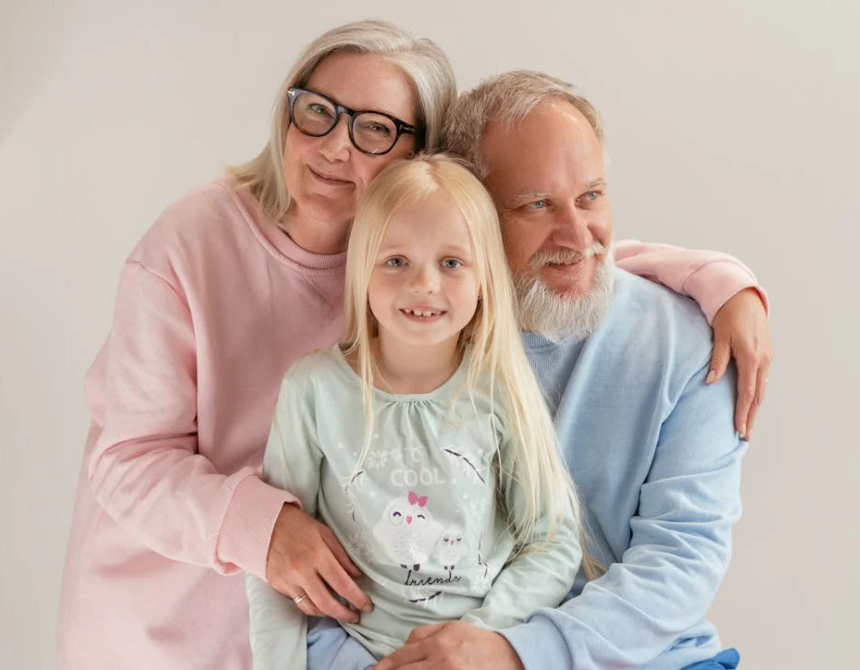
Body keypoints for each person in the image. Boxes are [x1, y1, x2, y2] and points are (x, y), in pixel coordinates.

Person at [56, 21, 769, 670]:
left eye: (375, 128)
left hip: (351, 623)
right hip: (171, 618)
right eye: (317, 111)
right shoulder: (194, 244)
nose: (336, 145)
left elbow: (561, 252)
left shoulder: (424, 278)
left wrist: (720, 280)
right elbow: (126, 459)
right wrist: (263, 530)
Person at [373, 71, 769, 670]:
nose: (579, 235)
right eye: (537, 204)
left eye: (591, 196)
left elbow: (682, 559)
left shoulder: (692, 343)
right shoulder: (408, 343)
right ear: (471, 212)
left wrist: (517, 653)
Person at [248, 153, 592, 669]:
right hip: (355, 654)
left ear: (484, 277)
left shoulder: (499, 391)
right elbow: (276, 564)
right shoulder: (314, 391)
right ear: (362, 269)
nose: (424, 284)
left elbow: (551, 540)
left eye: (451, 263)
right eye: (395, 261)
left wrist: (479, 638)